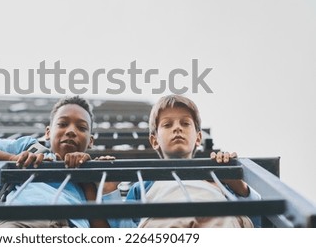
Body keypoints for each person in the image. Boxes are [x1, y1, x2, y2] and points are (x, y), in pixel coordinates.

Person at [0, 95, 111, 228]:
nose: (71, 131)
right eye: (62, 124)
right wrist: (14, 159)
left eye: (81, 128)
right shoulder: (29, 147)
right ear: (48, 132)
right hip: (20, 219)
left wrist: (87, 180)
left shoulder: (92, 170)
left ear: (90, 141)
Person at [107, 94, 260, 228]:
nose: (177, 128)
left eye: (185, 123)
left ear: (198, 138)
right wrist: (110, 192)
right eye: (167, 124)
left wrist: (239, 185)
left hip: (218, 218)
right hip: (163, 224)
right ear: (154, 141)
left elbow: (256, 220)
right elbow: (126, 228)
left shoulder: (217, 176)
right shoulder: (143, 185)